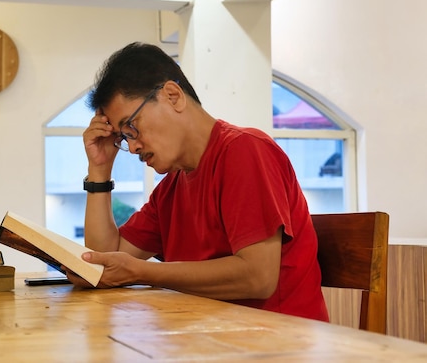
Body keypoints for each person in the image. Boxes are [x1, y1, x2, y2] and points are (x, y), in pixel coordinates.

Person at [66, 42, 329, 322]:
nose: (132, 148)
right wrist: (100, 168)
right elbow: (104, 261)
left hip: (281, 343)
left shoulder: (244, 151)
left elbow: (258, 277)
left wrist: (142, 272)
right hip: (209, 339)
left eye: (132, 126)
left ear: (172, 95)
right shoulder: (170, 189)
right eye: (123, 138)